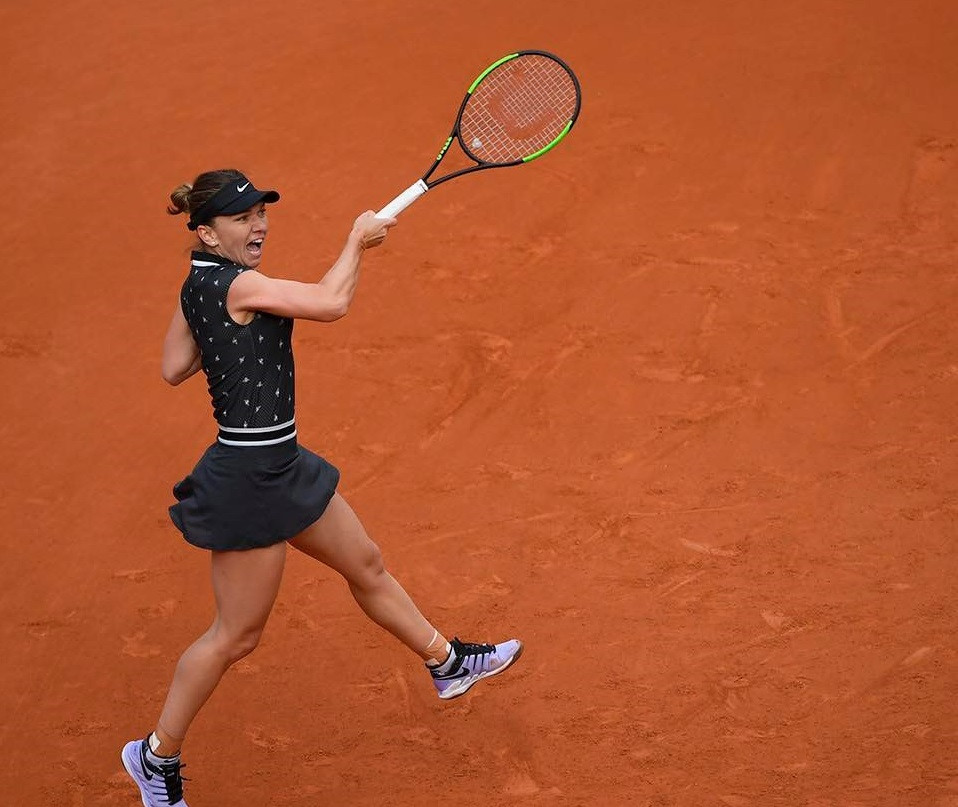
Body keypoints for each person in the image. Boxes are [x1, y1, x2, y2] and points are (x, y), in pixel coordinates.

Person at [120, 169, 523, 807]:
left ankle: (445, 662)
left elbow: (174, 366)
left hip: (281, 462)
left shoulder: (202, 280)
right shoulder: (236, 283)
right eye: (242, 218)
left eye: (260, 213)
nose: (259, 226)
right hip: (250, 481)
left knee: (365, 564)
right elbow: (332, 303)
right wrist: (357, 241)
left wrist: (218, 322)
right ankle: (154, 754)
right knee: (235, 636)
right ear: (208, 232)